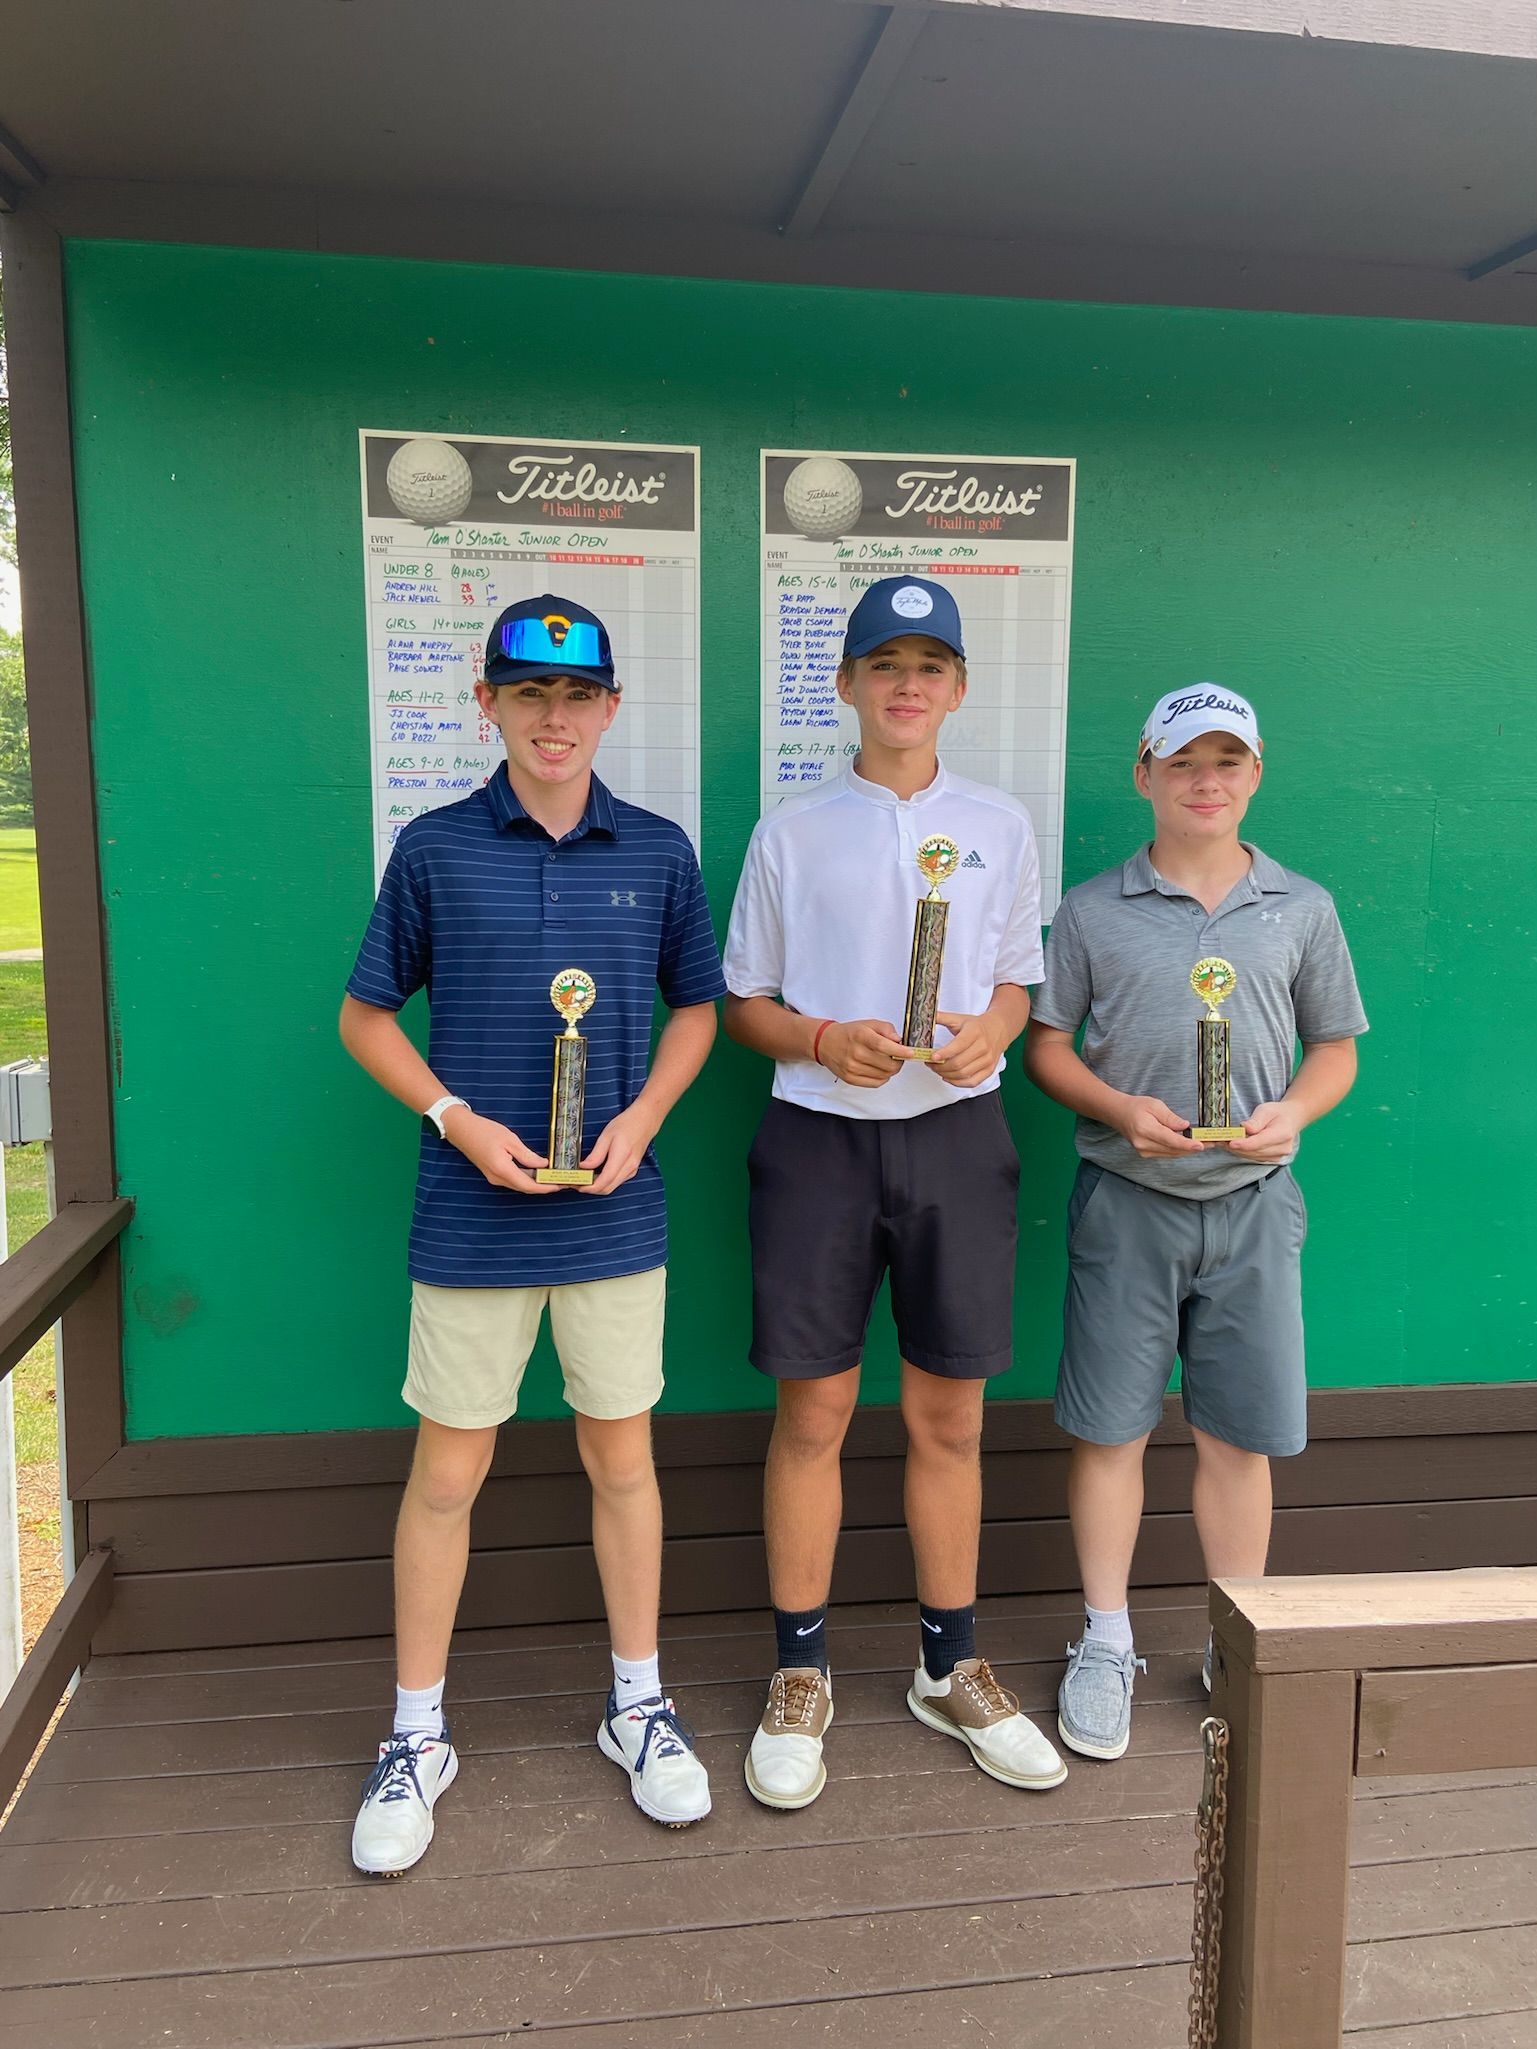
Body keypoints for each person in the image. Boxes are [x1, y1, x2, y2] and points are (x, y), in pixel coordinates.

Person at [342, 595, 724, 1874]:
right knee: (446, 1476)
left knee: (624, 1465)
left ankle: (639, 1705)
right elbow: (367, 1018)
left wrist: (644, 1117)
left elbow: (696, 1012)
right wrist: (455, 1120)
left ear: (611, 707)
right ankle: (416, 1735)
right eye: (527, 694)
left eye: (576, 696)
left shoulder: (660, 851)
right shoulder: (436, 848)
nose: (553, 719)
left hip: (616, 1212)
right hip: (469, 1215)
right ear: (487, 703)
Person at [723, 574, 1067, 1811]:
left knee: (950, 1420)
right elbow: (743, 1003)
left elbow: (1019, 978)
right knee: (812, 1417)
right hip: (818, 1142)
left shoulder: (1002, 824)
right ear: (848, 684)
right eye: (883, 666)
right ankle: (800, 1670)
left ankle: (948, 1663)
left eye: (928, 667)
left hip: (957, 1137)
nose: (905, 686)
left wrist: (991, 1030)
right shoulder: (790, 830)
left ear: (958, 690)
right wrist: (820, 1041)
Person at [1025, 686, 1366, 1762]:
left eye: (1227, 762)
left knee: (1236, 1437)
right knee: (1111, 1430)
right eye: (1183, 764)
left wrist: (1292, 1115)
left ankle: (1237, 1639)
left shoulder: (1301, 907)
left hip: (1255, 1207)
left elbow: (1336, 1049)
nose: (1205, 781)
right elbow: (1045, 1046)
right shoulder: (1090, 910)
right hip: (1127, 1202)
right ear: (1145, 775)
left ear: (1254, 775)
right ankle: (1106, 1637)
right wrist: (1119, 1108)